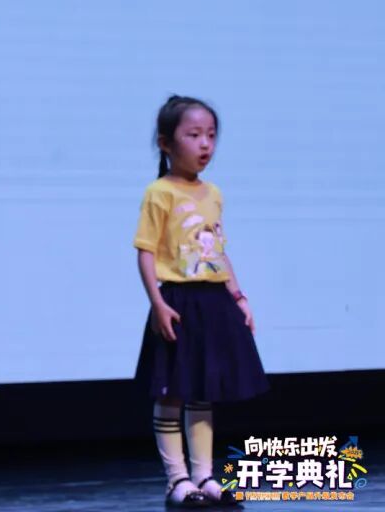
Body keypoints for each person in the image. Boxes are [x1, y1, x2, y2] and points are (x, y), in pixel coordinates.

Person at [133, 95, 268, 508]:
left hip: (213, 300)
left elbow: (218, 253)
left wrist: (238, 295)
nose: (205, 144)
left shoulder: (213, 193)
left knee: (203, 390)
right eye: (193, 135)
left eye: (210, 135)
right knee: (172, 390)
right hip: (178, 300)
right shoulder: (159, 193)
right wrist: (158, 303)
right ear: (166, 143)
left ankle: (204, 476)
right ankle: (177, 480)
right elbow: (146, 251)